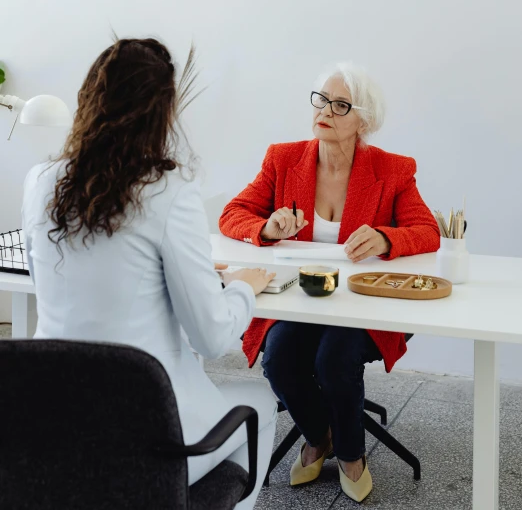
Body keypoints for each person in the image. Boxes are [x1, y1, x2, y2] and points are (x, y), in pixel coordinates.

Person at [22, 38, 277, 509]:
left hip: (53, 426)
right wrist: (243, 285)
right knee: (259, 402)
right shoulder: (168, 190)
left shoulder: (40, 182)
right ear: (161, 112)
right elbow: (213, 337)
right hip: (149, 441)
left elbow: (53, 286)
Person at [219, 61, 440, 503]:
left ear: (364, 120)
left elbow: (427, 232)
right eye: (322, 100)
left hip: (362, 307)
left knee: (334, 360)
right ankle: (322, 436)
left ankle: (353, 455)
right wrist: (266, 228)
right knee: (279, 359)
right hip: (301, 300)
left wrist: (384, 236)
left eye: (341, 105)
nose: (326, 111)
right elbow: (232, 215)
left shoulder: (392, 170)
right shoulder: (283, 159)